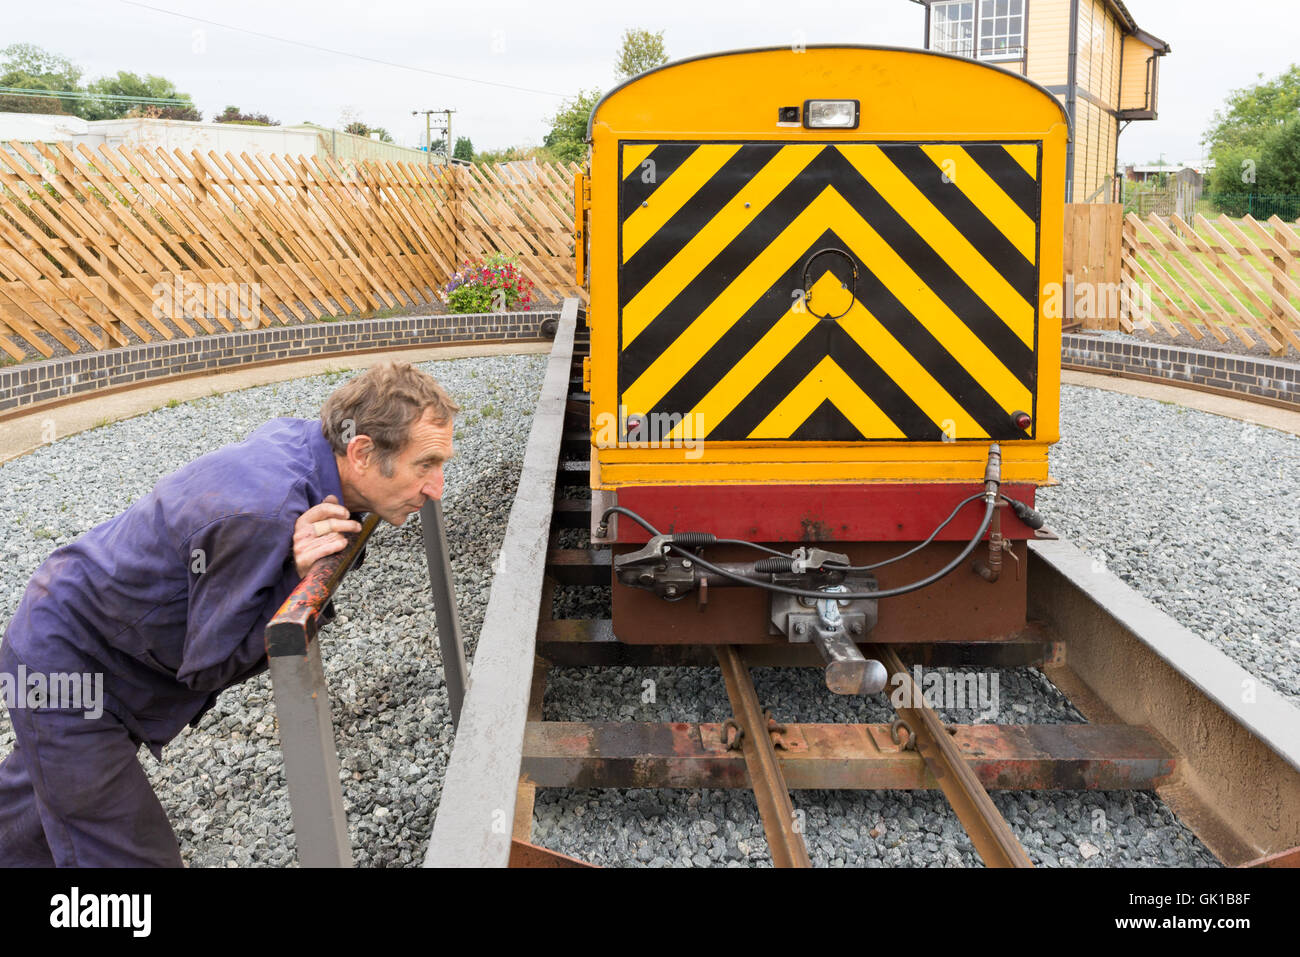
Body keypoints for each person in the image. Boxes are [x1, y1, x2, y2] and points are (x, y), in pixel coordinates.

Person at [0, 360, 457, 867]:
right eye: (426, 465)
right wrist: (295, 580)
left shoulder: (306, 449)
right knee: (125, 857)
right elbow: (209, 666)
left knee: (31, 818)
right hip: (64, 667)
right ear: (362, 451)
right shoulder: (265, 516)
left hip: (89, 639)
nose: (436, 486)